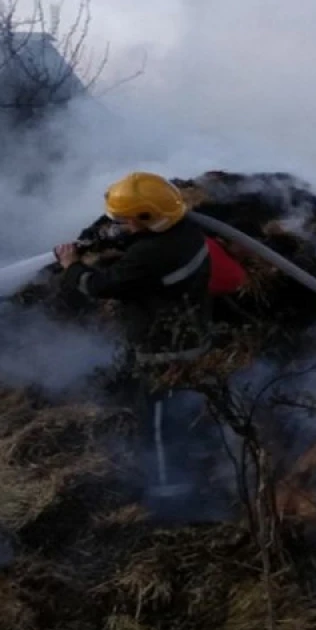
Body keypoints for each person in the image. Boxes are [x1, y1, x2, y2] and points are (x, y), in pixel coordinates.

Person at [54, 171, 215, 501]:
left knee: (159, 424)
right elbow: (146, 250)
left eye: (126, 220)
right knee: (189, 409)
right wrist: (114, 237)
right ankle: (204, 464)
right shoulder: (186, 231)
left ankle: (171, 495)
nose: (120, 226)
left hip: (164, 353)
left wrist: (72, 266)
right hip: (194, 336)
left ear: (148, 218)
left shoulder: (148, 255)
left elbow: (101, 285)